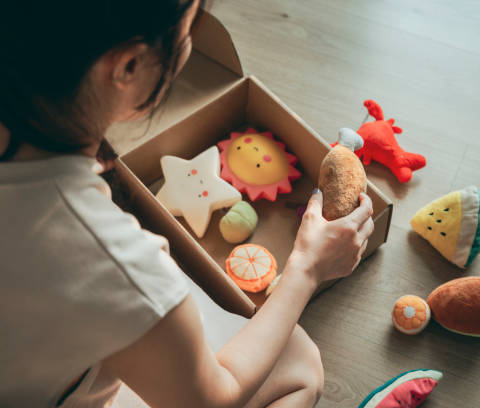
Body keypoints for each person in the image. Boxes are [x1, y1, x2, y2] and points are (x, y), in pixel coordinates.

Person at [0, 0, 374, 407]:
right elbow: (210, 399)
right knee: (298, 364)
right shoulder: (114, 263)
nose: (191, 41)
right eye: (189, 26)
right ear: (127, 67)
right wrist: (307, 267)